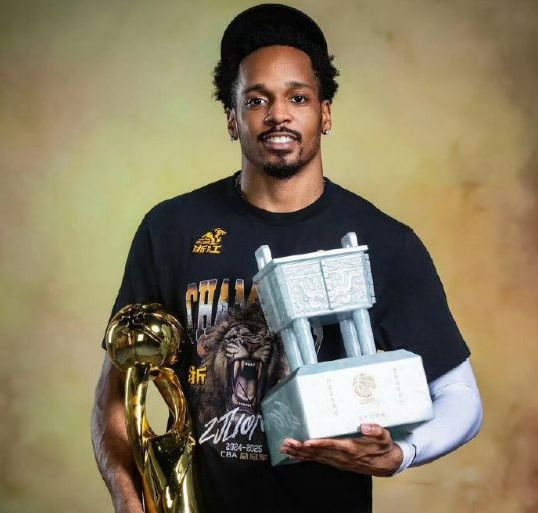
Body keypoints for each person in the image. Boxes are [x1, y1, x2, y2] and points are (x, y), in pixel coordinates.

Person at [91, 4, 482, 513]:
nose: (278, 114)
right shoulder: (170, 230)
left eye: (298, 97)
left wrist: (401, 454)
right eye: (257, 100)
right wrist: (129, 501)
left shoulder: (385, 242)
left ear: (325, 113)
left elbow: (460, 396)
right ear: (232, 118)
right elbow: (117, 393)